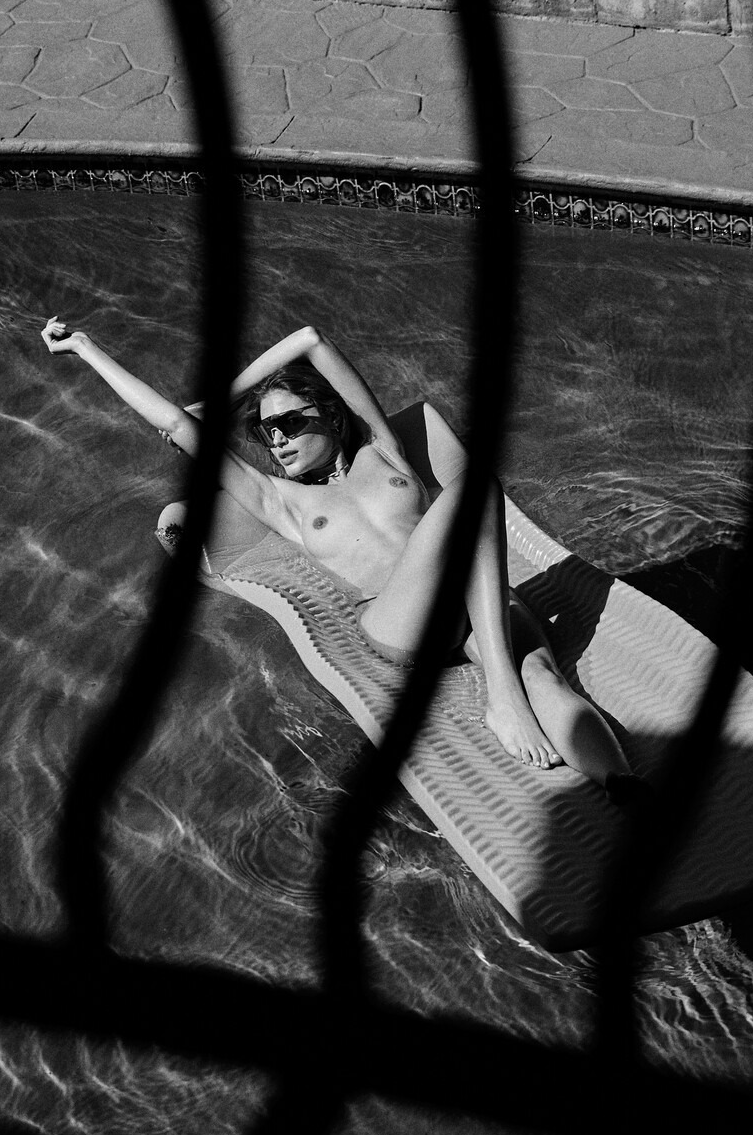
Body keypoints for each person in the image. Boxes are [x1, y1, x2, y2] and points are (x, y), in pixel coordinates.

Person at [41, 315, 648, 804]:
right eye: (266, 431)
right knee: (477, 491)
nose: (277, 439)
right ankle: (503, 697)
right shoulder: (281, 500)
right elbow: (176, 423)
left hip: (475, 603)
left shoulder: (385, 453)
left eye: (288, 422)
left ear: (331, 415)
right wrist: (87, 349)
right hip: (397, 620)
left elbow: (310, 340)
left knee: (544, 676)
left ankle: (623, 788)